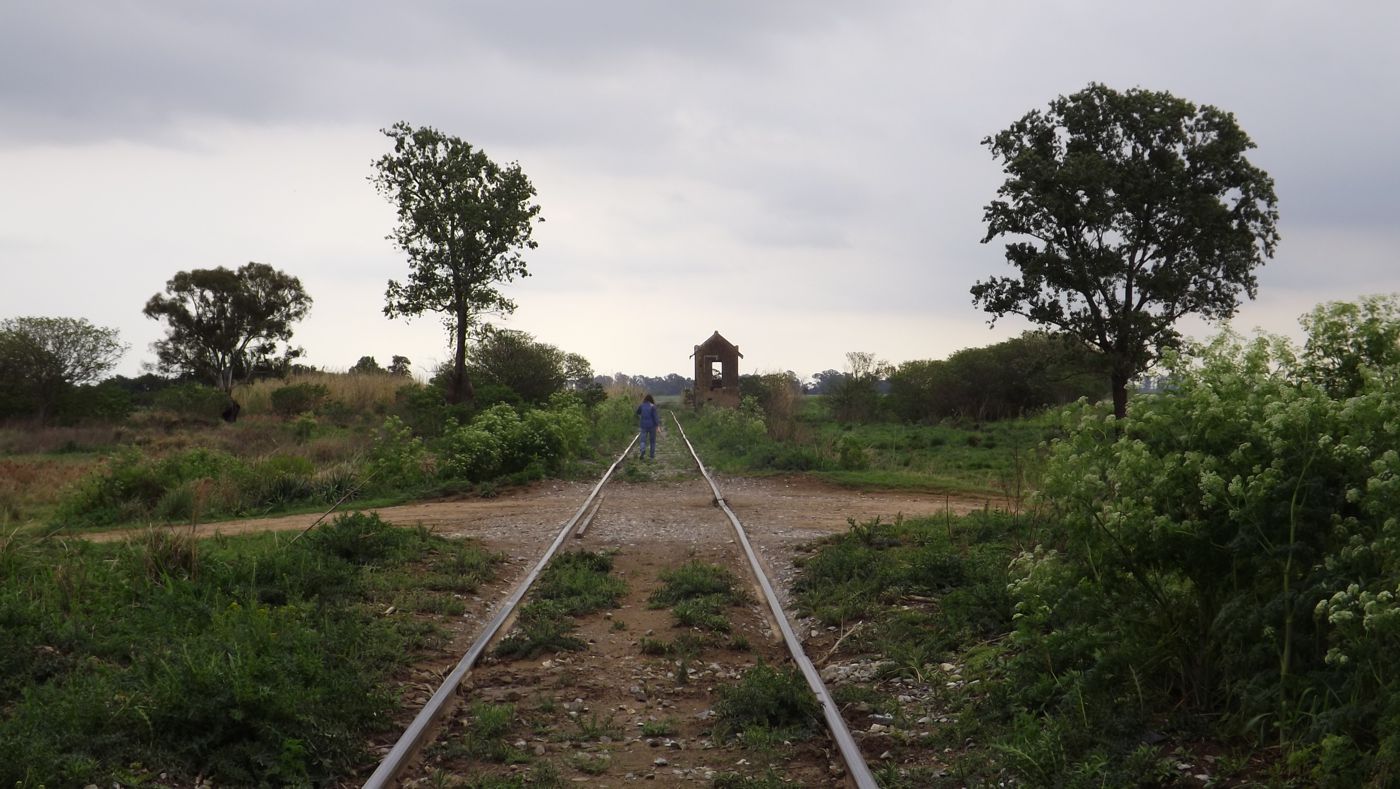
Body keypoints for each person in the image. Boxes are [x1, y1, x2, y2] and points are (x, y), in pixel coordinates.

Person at [635, 393, 659, 459]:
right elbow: (655, 417)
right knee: (652, 441)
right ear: (651, 400)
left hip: (643, 425)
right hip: (652, 426)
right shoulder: (653, 406)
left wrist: (640, 416)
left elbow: (637, 412)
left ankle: (642, 450)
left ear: (645, 399)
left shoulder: (642, 405)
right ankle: (651, 456)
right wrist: (657, 426)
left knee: (643, 440)